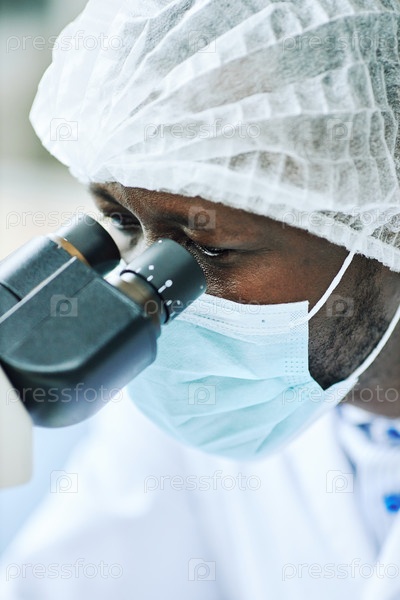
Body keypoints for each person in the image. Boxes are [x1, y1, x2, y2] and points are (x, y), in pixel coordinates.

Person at [1, 0, 400, 598]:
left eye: (210, 248)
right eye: (120, 222)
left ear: (379, 215)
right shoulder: (203, 402)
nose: (152, 286)